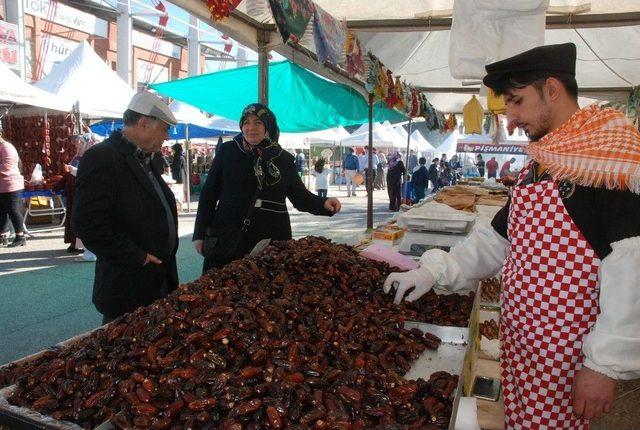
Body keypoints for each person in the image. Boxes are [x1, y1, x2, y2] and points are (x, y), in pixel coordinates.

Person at [384, 43, 640, 429]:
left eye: (517, 102)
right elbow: (496, 240)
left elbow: (631, 268)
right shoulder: (540, 165)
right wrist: (433, 271)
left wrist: (604, 365)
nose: (512, 118)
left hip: (566, 358)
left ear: (551, 89)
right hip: (522, 346)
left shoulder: (605, 165)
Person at [193, 103, 341, 273]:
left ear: (268, 126)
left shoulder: (283, 159)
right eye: (246, 122)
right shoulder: (228, 151)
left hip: (270, 240)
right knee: (222, 290)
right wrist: (199, 234)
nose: (251, 128)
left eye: (258, 122)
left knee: (265, 293)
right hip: (229, 237)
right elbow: (208, 194)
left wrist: (324, 203)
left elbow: (300, 197)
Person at [73, 92, 180, 324]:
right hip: (128, 285)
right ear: (143, 123)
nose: (166, 136)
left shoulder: (146, 158)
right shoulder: (101, 158)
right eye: (164, 129)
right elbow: (88, 224)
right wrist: (137, 257)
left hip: (156, 281)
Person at [51, 133, 97, 255]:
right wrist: (57, 186)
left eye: (81, 143)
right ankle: (75, 243)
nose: (78, 145)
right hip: (73, 194)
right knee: (74, 219)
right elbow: (67, 175)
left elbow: (88, 175)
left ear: (88, 144)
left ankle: (84, 247)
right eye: (78, 143)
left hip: (84, 194)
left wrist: (74, 171)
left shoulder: (92, 157)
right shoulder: (76, 158)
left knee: (82, 219)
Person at [0, 132, 26, 247]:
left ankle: (20, 236)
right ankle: (3, 235)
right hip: (2, 186)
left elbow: (6, 166)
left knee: (13, 210)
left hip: (11, 184)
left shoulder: (7, 147)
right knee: (1, 211)